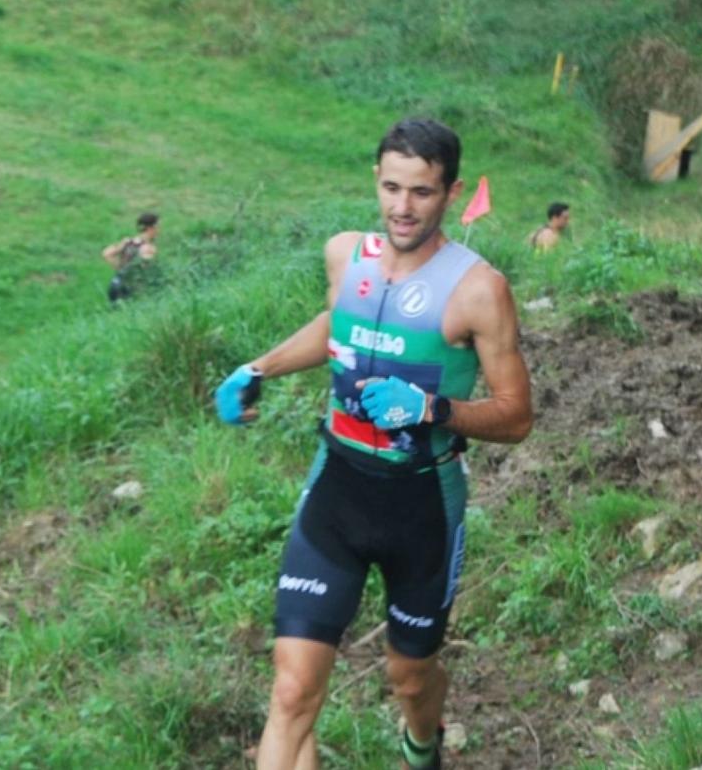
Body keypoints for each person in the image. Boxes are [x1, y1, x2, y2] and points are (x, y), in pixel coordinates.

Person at [214, 118, 533, 769]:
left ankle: (423, 741)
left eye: (421, 192)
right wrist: (259, 369)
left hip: (421, 508)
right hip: (337, 489)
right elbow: (341, 320)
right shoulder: (346, 254)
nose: (402, 207)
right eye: (391, 188)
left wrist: (432, 408)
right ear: (376, 180)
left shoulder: (479, 289)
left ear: (452, 192)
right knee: (294, 690)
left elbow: (516, 415)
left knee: (410, 678)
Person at [101, 212, 159, 303]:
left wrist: (119, 267)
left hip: (116, 283)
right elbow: (146, 271)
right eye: (157, 227)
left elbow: (106, 253)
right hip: (131, 289)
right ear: (151, 228)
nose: (159, 230)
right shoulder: (149, 248)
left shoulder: (127, 242)